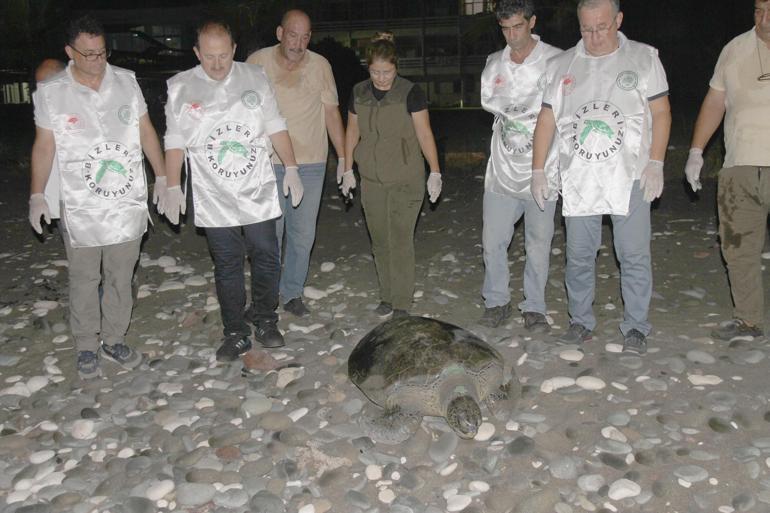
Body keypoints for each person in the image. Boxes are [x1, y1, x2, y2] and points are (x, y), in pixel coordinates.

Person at [29, 14, 166, 378]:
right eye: (88, 55)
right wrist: (37, 194)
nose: (97, 62)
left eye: (102, 53)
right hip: (80, 203)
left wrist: (165, 177)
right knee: (85, 277)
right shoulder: (51, 92)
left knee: (122, 274)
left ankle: (114, 339)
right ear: (70, 51)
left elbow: (146, 131)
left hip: (125, 200)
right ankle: (87, 344)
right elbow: (44, 147)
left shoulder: (126, 81)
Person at [531, 0, 671, 354]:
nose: (594, 37)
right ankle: (580, 320)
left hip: (631, 176)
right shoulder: (562, 65)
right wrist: (537, 169)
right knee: (578, 255)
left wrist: (656, 162)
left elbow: (662, 112)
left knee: (633, 254)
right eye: (586, 29)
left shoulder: (643, 58)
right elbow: (546, 120)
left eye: (602, 27)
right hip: (580, 179)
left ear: (619, 20)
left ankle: (636, 326)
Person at [160, 20, 303, 361]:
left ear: (234, 50)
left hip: (255, 186)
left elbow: (274, 124)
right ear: (197, 53)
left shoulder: (254, 78)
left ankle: (266, 318)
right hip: (214, 193)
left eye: (223, 55)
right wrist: (171, 183)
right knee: (227, 264)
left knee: (267, 255)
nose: (217, 64)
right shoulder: (180, 87)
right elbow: (175, 139)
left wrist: (292, 167)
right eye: (209, 57)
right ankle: (235, 332)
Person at [246, 9, 346, 318]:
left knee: (303, 234)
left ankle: (293, 293)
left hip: (312, 164)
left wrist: (343, 159)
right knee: (269, 236)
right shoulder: (256, 63)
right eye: (292, 35)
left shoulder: (320, 66)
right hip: (269, 163)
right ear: (279, 33)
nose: (298, 43)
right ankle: (265, 298)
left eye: (305, 37)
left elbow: (331, 114)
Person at [684, 1, 770, 341]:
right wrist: (695, 151)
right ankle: (748, 321)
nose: (764, 19)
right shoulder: (734, 49)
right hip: (739, 166)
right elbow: (715, 101)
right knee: (737, 248)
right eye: (759, 10)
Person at [344, 32, 442, 318]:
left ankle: (401, 303)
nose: (382, 78)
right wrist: (347, 167)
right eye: (375, 72)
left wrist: (434, 171)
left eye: (387, 72)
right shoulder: (359, 92)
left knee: (400, 240)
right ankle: (386, 296)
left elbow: (424, 133)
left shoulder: (410, 92)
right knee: (379, 240)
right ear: (368, 67)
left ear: (396, 67)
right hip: (371, 181)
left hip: (406, 179)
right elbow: (352, 130)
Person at [478, 0, 562, 331]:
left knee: (538, 242)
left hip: (543, 167)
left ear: (532, 22)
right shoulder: (493, 63)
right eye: (505, 29)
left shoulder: (556, 60)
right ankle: (496, 300)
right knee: (493, 239)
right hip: (502, 168)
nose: (512, 36)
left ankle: (535, 307)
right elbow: (494, 110)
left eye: (518, 27)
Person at [32, 59, 66, 224]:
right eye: (39, 85)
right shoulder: (44, 108)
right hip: (62, 197)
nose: (42, 90)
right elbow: (43, 149)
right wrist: (37, 196)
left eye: (46, 83)